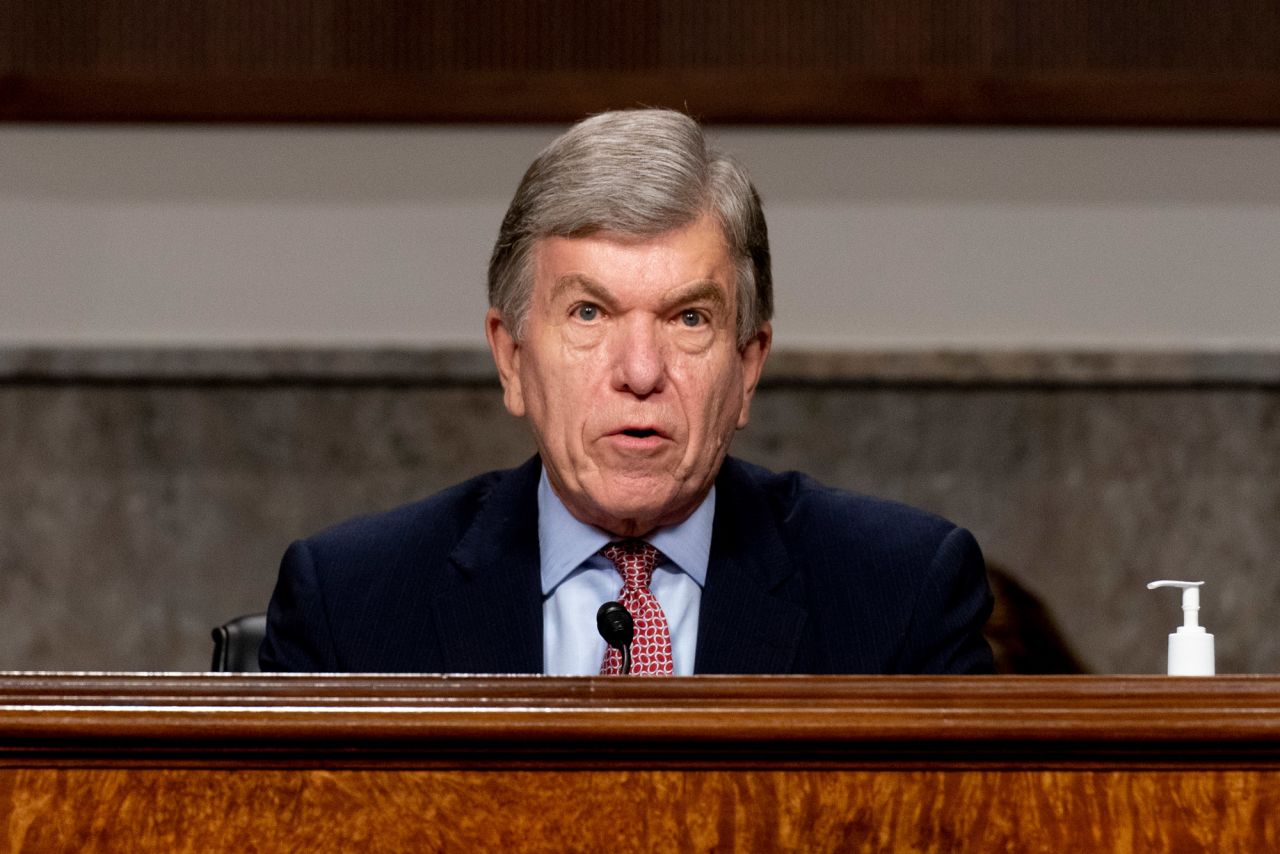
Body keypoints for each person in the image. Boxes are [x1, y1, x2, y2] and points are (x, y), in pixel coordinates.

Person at [260, 109, 994, 675]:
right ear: (511, 358)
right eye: (589, 312)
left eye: (688, 318)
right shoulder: (350, 605)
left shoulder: (902, 595)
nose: (640, 371)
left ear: (747, 368)